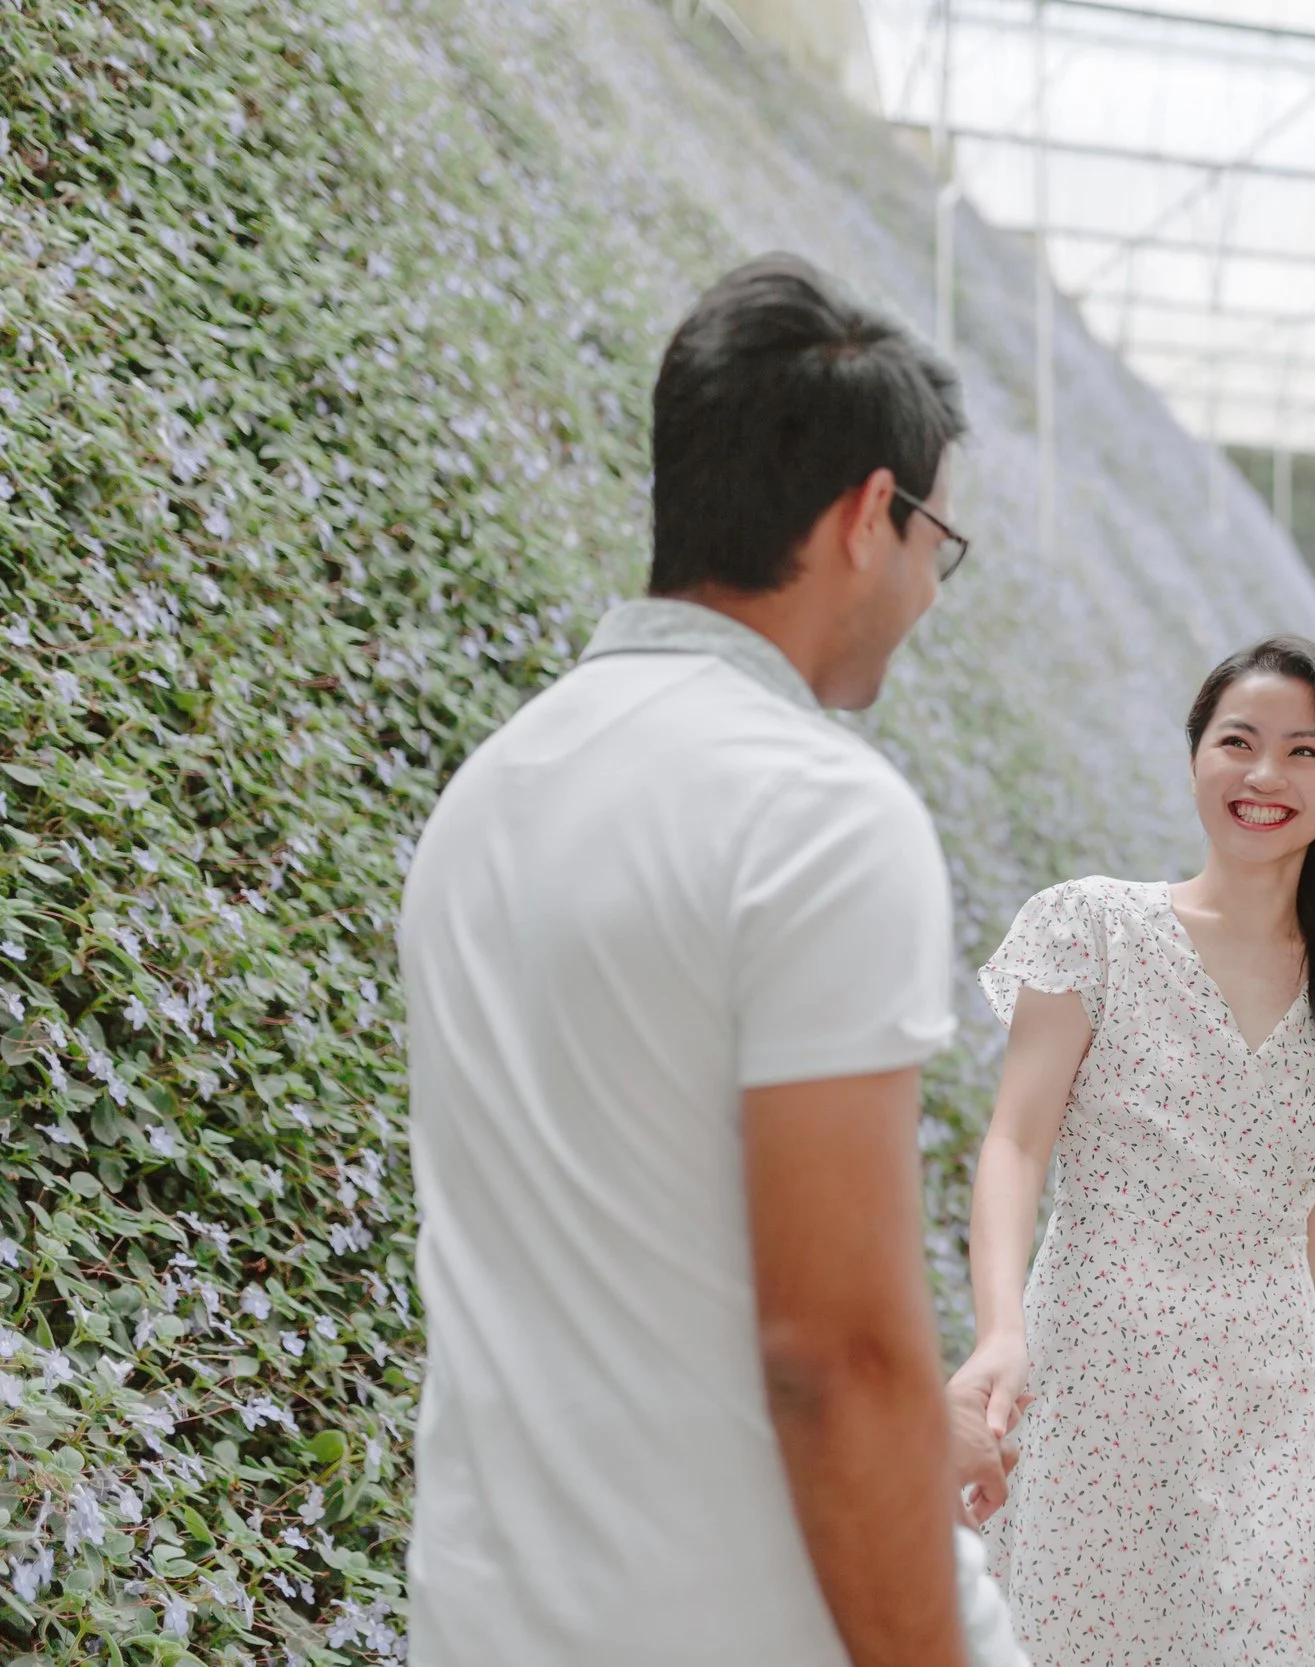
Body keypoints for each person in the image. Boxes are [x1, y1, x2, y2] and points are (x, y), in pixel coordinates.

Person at [398, 254, 1022, 1667]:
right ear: (868, 515)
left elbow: (631, 1240)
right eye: (936, 541)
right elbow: (833, 1357)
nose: (930, 590)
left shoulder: (490, 792)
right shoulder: (816, 811)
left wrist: (924, 1424)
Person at [952, 634, 1315, 1665]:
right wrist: (999, 1332)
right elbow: (1014, 1145)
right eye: (1238, 741)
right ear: (1195, 757)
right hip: (1092, 1387)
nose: (1264, 775)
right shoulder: (1092, 929)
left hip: (1269, 1407)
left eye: (1304, 752)